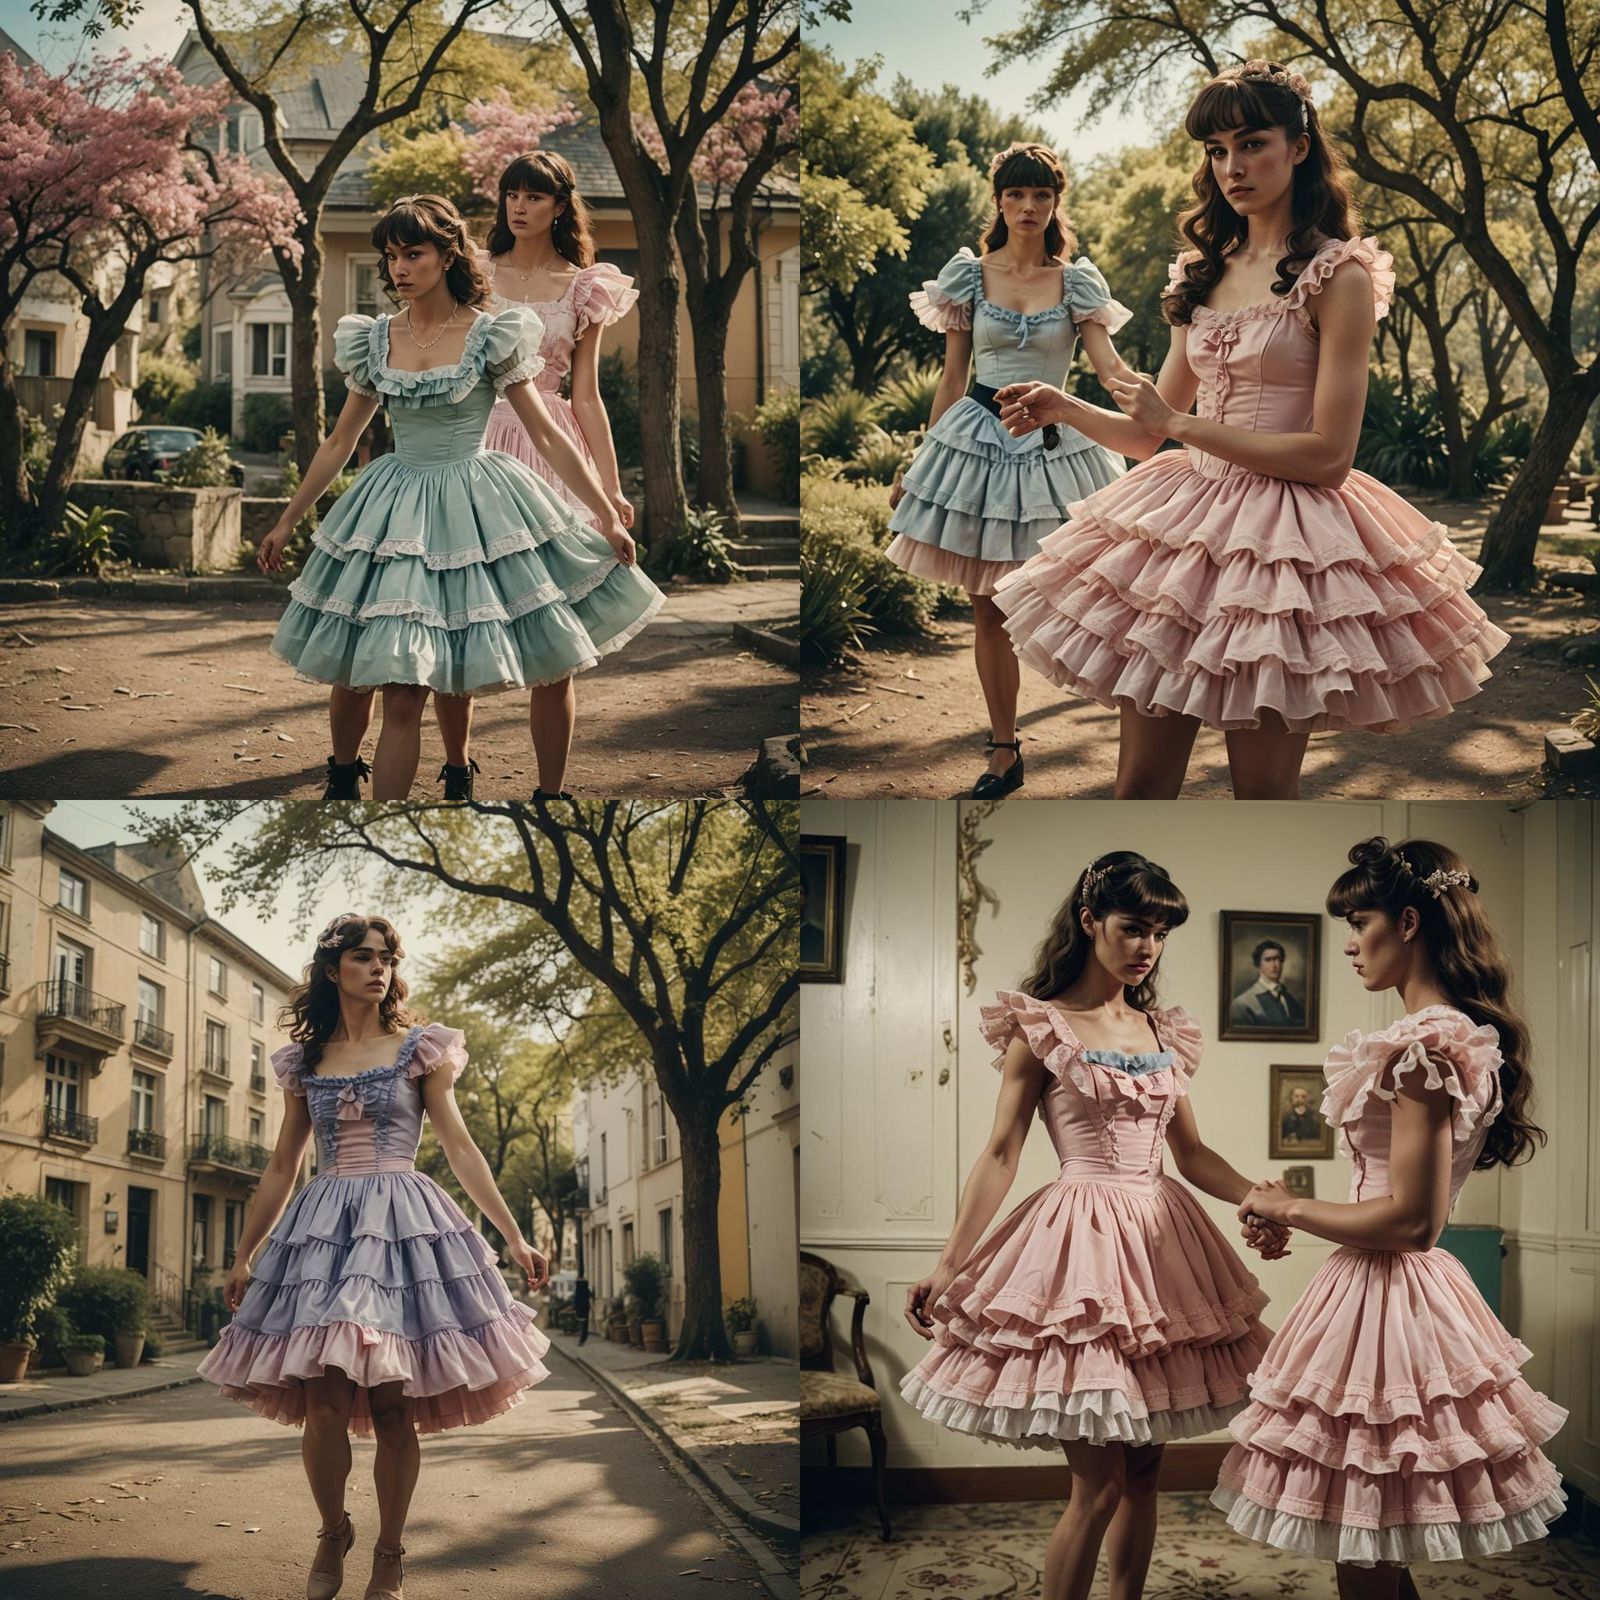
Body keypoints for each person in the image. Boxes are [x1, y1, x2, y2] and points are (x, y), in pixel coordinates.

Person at [990, 62, 1509, 800]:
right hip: (1182, 535)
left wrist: (1180, 424)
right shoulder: (1201, 273)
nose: (1232, 166)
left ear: (1299, 147)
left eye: (1252, 143)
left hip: (1286, 546)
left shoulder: (1341, 277)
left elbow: (1329, 456)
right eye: (1216, 150)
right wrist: (1064, 406)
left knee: (1262, 797)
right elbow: (1149, 436)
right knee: (1139, 785)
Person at [900, 852, 1290, 1600]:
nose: (1148, 946)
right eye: (1134, 927)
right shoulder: (1040, 1026)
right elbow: (1003, 1151)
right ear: (1090, 923)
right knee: (1100, 1485)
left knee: (1145, 1474)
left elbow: (1194, 1155)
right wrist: (951, 1265)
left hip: (1163, 1249)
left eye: (1160, 933)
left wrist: (1261, 1199)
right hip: (1079, 1246)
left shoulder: (1161, 1031)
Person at [1217, 838, 1566, 1592]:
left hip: (1393, 1295)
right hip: (1379, 1291)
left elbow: (1414, 1222)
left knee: (1367, 1545)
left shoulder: (1425, 1046)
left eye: (1360, 919)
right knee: (1364, 1546)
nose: (1349, 943)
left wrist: (1295, 1206)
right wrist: (1294, 1210)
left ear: (1408, 922)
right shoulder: (1445, 1038)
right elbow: (1391, 1199)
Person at [258, 193, 662, 801]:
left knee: (415, 684)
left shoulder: (489, 335)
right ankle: (342, 780)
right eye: (390, 256)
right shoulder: (372, 338)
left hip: (473, 505)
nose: (399, 268)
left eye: (413, 253)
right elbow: (341, 439)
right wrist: (287, 519)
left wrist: (606, 511)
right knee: (367, 667)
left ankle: (463, 775)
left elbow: (549, 437)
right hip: (391, 507)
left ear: (447, 255)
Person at [196, 914, 552, 1600]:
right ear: (334, 972)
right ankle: (334, 1530)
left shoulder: (421, 1049)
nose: (378, 968)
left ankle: (389, 1551)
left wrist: (512, 1234)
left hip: (401, 1231)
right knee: (322, 1409)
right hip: (323, 1231)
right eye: (362, 958)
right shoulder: (304, 1063)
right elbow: (281, 1165)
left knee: (393, 1411)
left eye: (386, 958)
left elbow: (459, 1147)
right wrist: (244, 1254)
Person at [885, 142, 1135, 798]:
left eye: (1041, 196)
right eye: (1017, 195)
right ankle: (1003, 749)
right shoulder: (968, 277)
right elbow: (952, 377)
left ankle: (1133, 746)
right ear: (999, 199)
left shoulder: (1077, 280)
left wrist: (1168, 408)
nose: (1028, 207)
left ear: (1056, 203)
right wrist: (919, 462)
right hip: (978, 444)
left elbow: (1109, 369)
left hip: (1059, 449)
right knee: (988, 608)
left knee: (1099, 596)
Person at [429, 152, 647, 801]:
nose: (518, 206)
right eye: (511, 194)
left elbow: (588, 397)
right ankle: (457, 770)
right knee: (456, 619)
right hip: (472, 450)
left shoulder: (586, 287)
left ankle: (551, 793)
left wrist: (609, 489)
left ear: (559, 205)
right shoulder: (472, 277)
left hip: (554, 455)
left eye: (534, 195)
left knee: (554, 641)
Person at [1230, 938, 1306, 1027]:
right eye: (1268, 960)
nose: (1275, 965)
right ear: (1258, 965)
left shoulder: (1289, 999)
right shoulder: (1242, 1003)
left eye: (1278, 959)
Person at [573, 1275, 593, 1345]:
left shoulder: (578, 1291)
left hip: (580, 1310)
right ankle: (583, 1338)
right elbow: (590, 1295)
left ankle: (582, 1339)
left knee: (582, 1325)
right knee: (584, 1325)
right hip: (585, 1309)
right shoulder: (586, 1290)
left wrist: (575, 1307)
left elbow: (575, 1301)